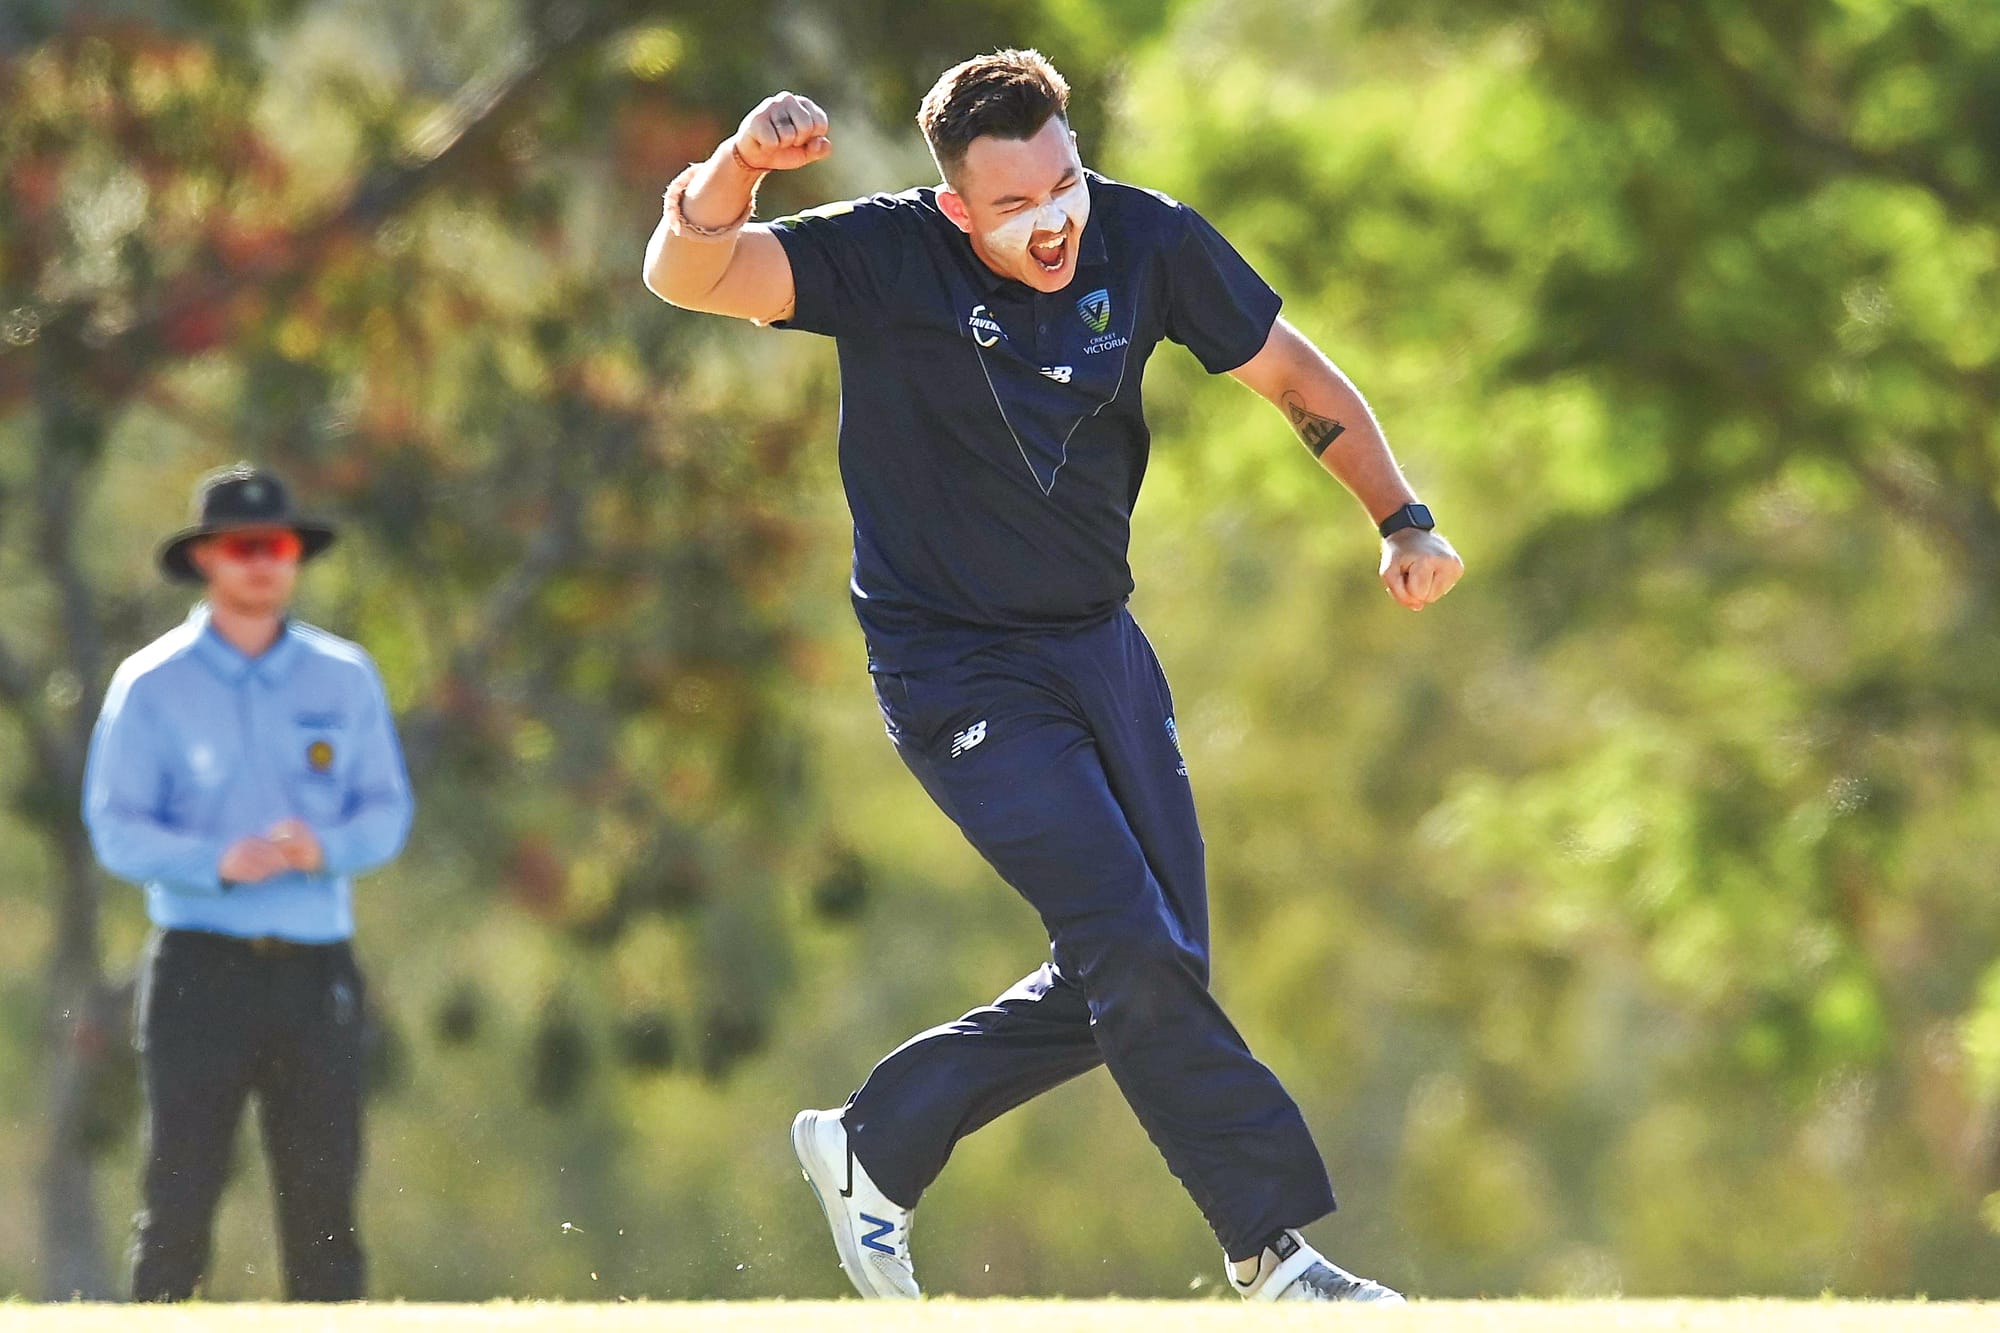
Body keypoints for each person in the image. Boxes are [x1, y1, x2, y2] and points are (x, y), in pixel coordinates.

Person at [643, 49, 1462, 1304]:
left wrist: (1400, 517)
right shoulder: (885, 257)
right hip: (951, 664)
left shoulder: (1144, 240)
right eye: (1015, 205)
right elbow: (686, 271)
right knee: (1126, 941)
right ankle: (1271, 1253)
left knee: (1150, 959)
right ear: (958, 208)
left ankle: (875, 1142)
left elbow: (1293, 377)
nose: (1053, 221)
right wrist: (740, 167)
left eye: (1063, 184)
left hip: (1096, 644)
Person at [83, 464, 414, 1302]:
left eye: (279, 546)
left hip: (315, 970)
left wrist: (324, 845)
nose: (264, 562)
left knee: (325, 1204)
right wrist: (211, 861)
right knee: (179, 1194)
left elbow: (386, 816)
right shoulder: (151, 684)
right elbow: (117, 828)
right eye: (244, 547)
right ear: (207, 560)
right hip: (200, 966)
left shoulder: (344, 676)